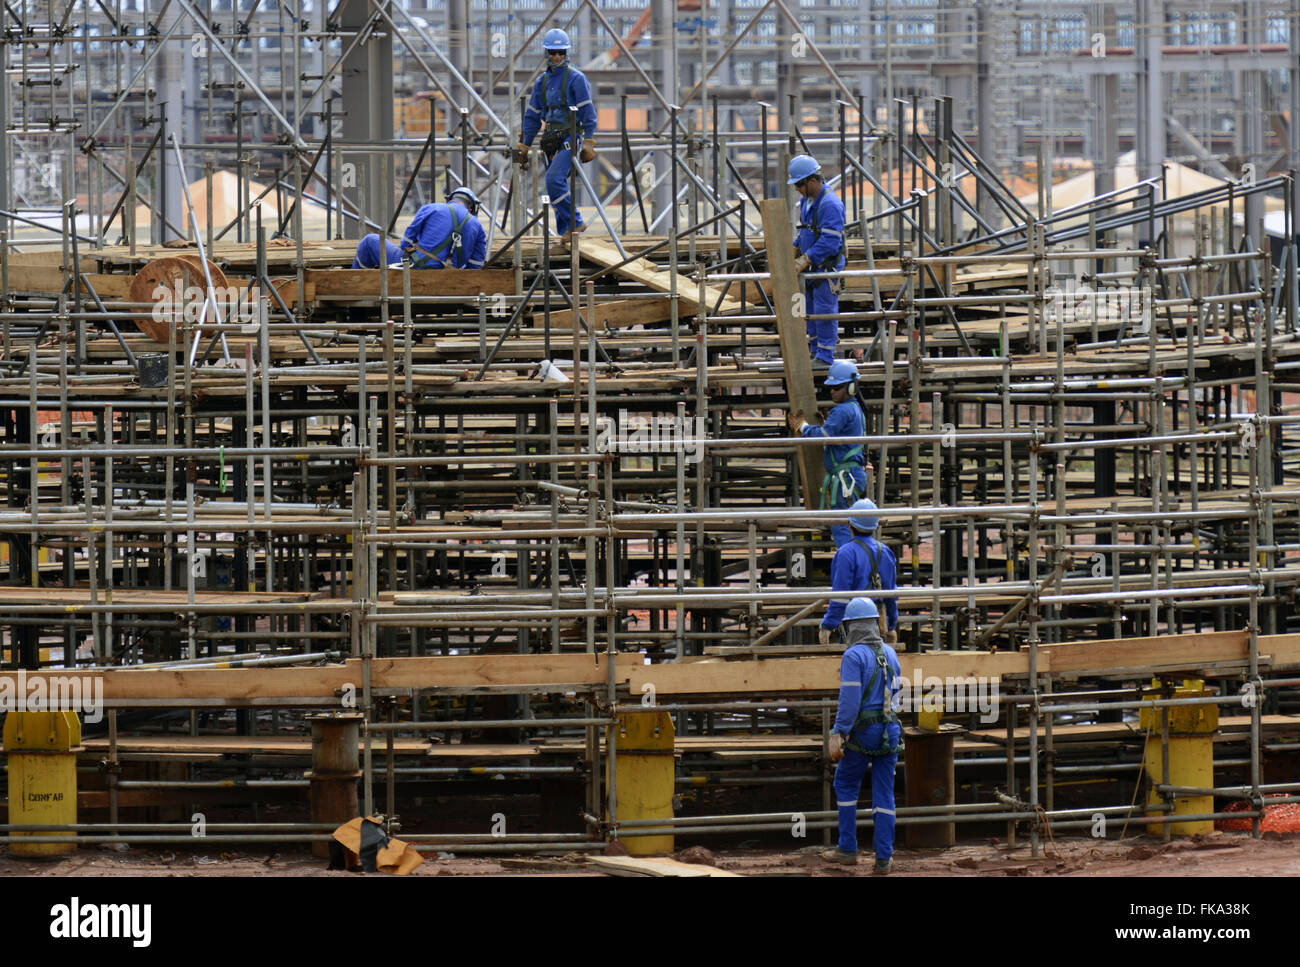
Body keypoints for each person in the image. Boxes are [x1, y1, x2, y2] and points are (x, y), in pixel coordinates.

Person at [824, 596, 902, 872]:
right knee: (885, 793)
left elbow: (849, 700)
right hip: (889, 730)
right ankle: (883, 857)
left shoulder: (853, 656)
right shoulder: (891, 653)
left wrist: (839, 732)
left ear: (851, 627)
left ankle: (847, 848)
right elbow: (897, 697)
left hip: (863, 733)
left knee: (845, 782)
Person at [516, 28, 598, 242]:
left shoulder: (576, 79)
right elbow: (532, 117)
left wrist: (588, 140)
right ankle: (567, 232)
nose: (557, 57)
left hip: (571, 137)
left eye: (561, 52)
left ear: (566, 52)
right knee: (553, 185)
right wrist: (524, 145)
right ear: (546, 53)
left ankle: (575, 223)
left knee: (554, 180)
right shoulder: (542, 83)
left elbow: (588, 112)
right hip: (551, 140)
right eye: (553, 52)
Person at [786, 359, 867, 547]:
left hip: (846, 478)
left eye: (837, 387)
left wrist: (803, 426)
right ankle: (855, 561)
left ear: (851, 388)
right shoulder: (855, 408)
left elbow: (824, 435)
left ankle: (847, 561)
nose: (832, 391)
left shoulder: (843, 410)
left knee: (841, 523)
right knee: (851, 522)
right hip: (851, 475)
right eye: (831, 388)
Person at [788, 155, 846, 365]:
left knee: (824, 310)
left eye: (798, 184)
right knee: (810, 309)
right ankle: (814, 350)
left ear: (812, 180)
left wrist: (806, 258)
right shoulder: (807, 200)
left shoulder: (829, 204)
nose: (796, 189)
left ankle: (826, 355)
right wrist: (795, 247)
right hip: (812, 267)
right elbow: (807, 230)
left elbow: (830, 241)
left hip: (825, 266)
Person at [820, 498, 899, 646]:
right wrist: (892, 624)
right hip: (878, 623)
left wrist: (828, 624)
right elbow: (891, 594)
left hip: (854, 623)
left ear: (850, 525)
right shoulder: (886, 552)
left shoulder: (845, 553)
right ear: (875, 526)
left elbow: (841, 595)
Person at [351, 187, 487, 270]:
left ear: (451, 200)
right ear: (471, 207)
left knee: (370, 240)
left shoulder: (431, 208)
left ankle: (355, 285)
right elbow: (476, 264)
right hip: (449, 277)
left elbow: (406, 243)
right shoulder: (476, 226)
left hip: (413, 267)